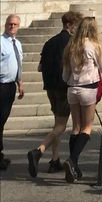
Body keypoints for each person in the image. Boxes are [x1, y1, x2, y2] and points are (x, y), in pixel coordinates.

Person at [27, 10, 82, 176]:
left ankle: (55, 160)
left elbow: (40, 67)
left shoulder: (49, 42)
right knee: (61, 126)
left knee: (57, 124)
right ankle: (38, 150)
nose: (77, 30)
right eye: (76, 26)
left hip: (50, 87)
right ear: (69, 25)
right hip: (63, 87)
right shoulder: (72, 43)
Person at [62, 16, 102, 183]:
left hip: (72, 88)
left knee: (75, 127)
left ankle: (75, 166)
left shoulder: (71, 46)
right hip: (88, 87)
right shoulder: (94, 46)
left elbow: (65, 75)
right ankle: (73, 160)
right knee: (87, 127)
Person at [0, 14, 24, 170]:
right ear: (5, 25)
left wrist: (20, 83)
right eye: (10, 24)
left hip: (11, 87)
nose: (12, 27)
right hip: (1, 85)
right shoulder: (1, 42)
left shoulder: (18, 43)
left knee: (2, 121)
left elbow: (18, 64)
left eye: (15, 24)